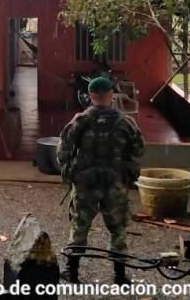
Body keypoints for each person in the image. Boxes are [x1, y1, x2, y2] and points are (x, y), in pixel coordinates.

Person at [56, 76, 145, 285]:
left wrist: (72, 167)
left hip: (86, 182)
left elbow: (62, 152)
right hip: (115, 181)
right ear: (111, 95)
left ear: (90, 95)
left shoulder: (80, 120)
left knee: (80, 224)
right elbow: (139, 149)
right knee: (118, 227)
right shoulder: (126, 122)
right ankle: (119, 275)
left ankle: (72, 271)